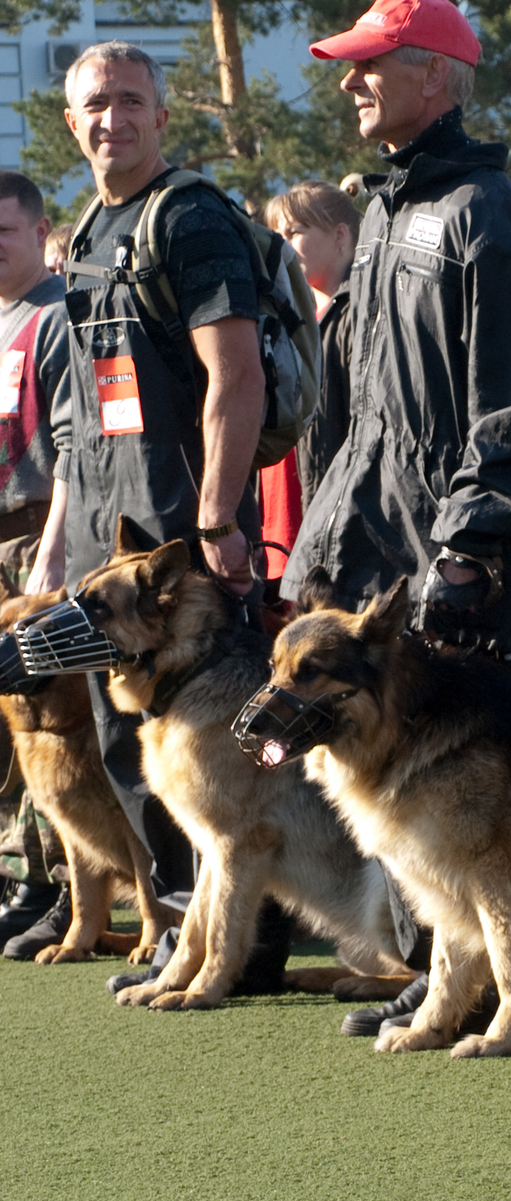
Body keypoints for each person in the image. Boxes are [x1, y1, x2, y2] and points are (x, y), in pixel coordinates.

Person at [288, 0, 511, 1035]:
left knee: (484, 812)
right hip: (394, 553)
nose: (352, 82)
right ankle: (449, 973)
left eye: (374, 65)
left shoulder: (480, 211)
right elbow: (362, 417)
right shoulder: (392, 211)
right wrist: (324, 546)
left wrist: (463, 552)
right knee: (418, 807)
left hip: (465, 569)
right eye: (350, 66)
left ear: (436, 78)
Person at [25, 42, 301, 991]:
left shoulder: (188, 217)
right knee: (127, 748)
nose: (114, 119)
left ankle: (249, 946)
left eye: (131, 102)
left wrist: (221, 518)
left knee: (221, 750)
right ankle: (185, 933)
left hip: (181, 547)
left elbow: (237, 376)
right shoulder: (93, 226)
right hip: (108, 541)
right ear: (73, 123)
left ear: (161, 115)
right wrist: (62, 536)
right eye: (95, 105)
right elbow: (77, 420)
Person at [0, 171, 74, 952]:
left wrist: (50, 548)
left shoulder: (57, 317)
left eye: (4, 232)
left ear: (37, 230)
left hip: (35, 537)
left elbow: (70, 453)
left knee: (44, 721)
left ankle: (46, 881)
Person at [262, 180, 359, 504]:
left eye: (295, 232)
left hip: (336, 498)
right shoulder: (285, 318)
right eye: (277, 234)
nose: (282, 244)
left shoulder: (361, 315)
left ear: (340, 236)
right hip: (284, 494)